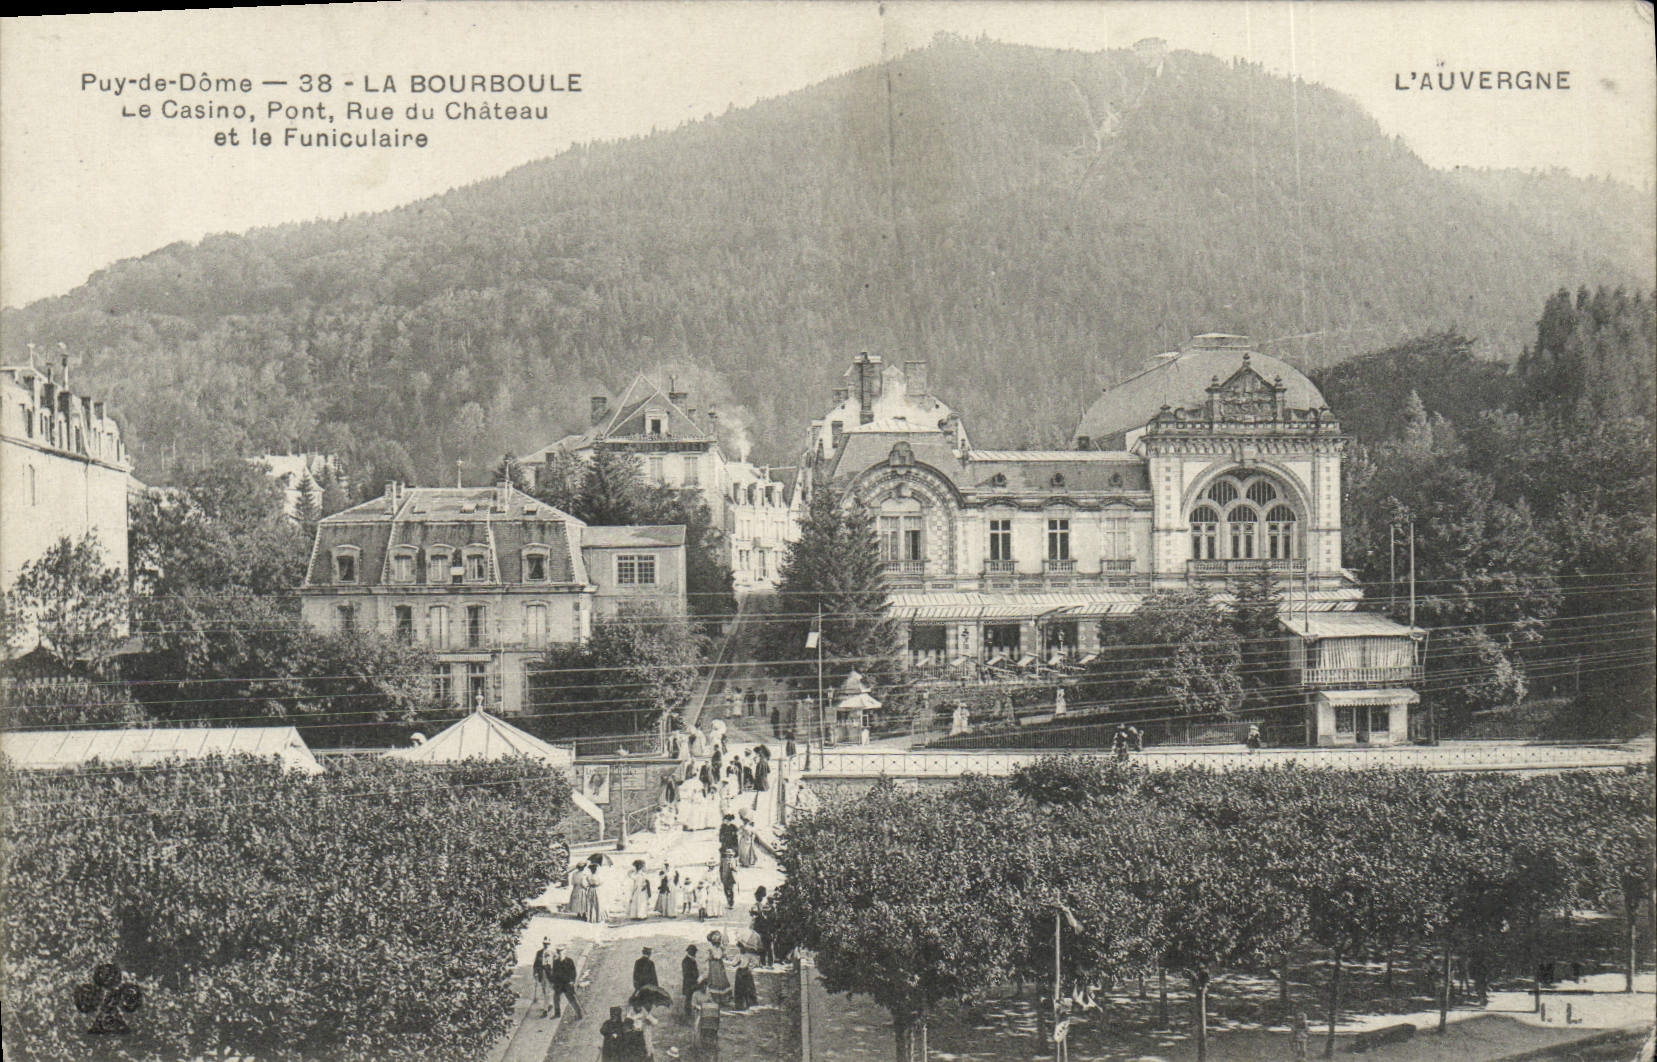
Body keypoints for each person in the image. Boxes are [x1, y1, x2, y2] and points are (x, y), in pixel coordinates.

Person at [550, 945, 582, 1020]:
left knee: (571, 999)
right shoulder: (556, 962)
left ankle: (579, 1014)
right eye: (558, 952)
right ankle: (557, 1013)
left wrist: (572, 981)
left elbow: (573, 973)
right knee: (556, 998)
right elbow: (554, 973)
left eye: (561, 952)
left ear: (565, 952)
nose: (560, 953)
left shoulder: (569, 961)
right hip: (559, 984)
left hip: (567, 984)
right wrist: (553, 982)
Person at [532, 937, 553, 1010]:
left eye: (547, 944)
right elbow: (536, 963)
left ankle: (546, 1007)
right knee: (544, 988)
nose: (546, 945)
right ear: (543, 944)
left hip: (549, 973)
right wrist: (535, 972)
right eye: (545, 944)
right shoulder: (539, 953)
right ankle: (549, 1003)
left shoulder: (552, 953)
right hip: (542, 972)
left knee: (548, 989)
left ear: (549, 944)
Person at [681, 945, 701, 1021]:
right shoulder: (686, 961)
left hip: (692, 983)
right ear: (691, 952)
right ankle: (688, 1016)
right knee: (688, 1000)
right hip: (689, 984)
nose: (695, 953)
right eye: (694, 952)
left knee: (691, 999)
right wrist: (695, 979)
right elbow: (686, 974)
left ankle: (690, 1015)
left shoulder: (691, 960)